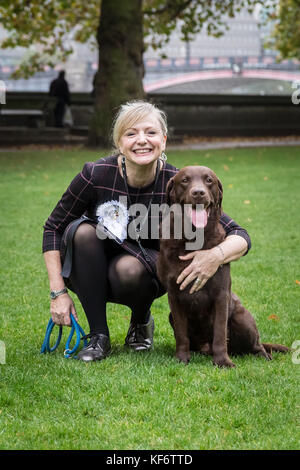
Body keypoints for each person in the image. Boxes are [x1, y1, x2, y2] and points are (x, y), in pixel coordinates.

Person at [43, 100, 251, 362]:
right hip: (90, 267)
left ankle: (141, 323)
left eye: (150, 133)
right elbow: (53, 227)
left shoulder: (178, 183)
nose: (142, 140)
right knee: (83, 232)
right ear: (120, 143)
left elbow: (240, 235)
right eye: (131, 133)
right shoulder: (95, 174)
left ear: (163, 141)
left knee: (130, 268)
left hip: (143, 272)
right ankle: (99, 336)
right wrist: (57, 293)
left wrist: (215, 256)